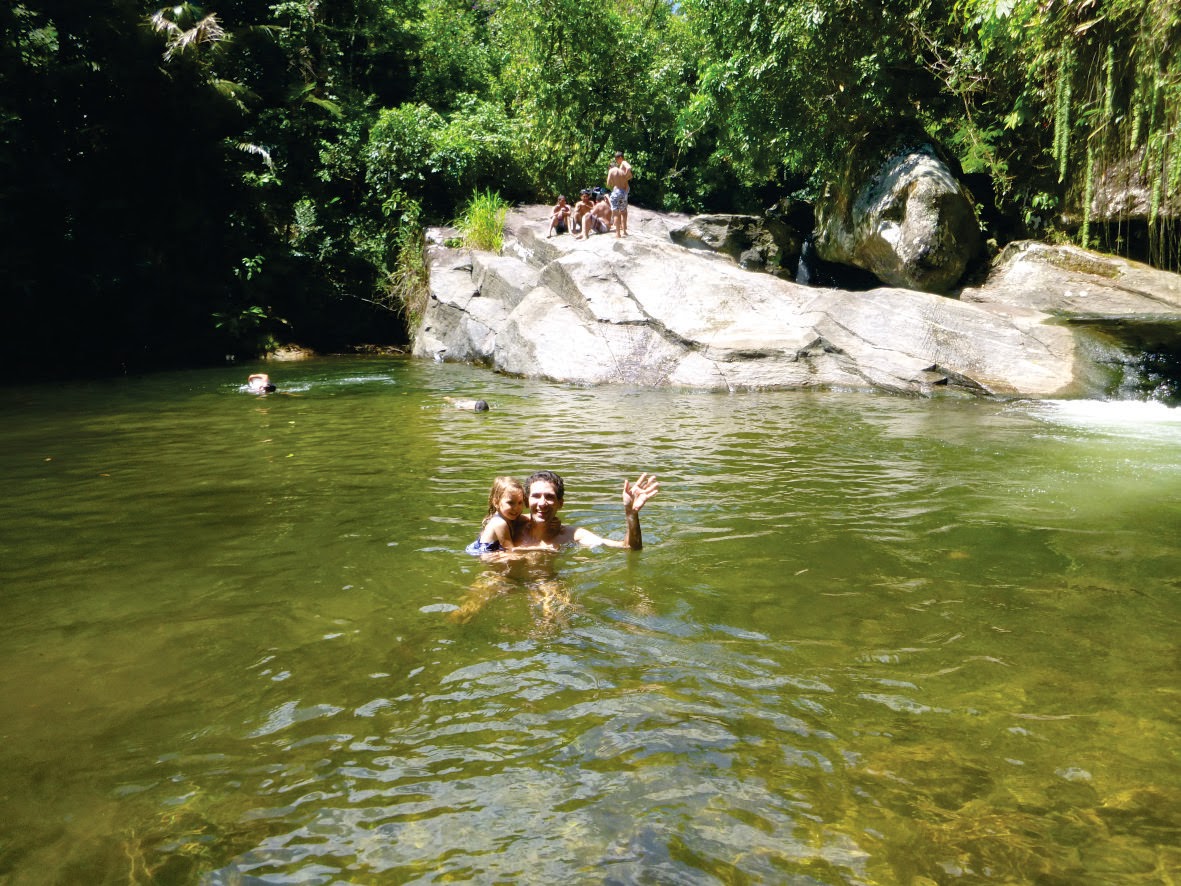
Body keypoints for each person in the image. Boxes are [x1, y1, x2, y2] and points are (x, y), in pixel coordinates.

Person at [514, 470, 659, 551]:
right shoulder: (511, 526)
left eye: (549, 497)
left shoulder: (573, 536)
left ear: (560, 503)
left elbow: (628, 547)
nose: (542, 503)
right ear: (527, 501)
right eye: (536, 496)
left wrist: (631, 513)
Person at [466, 476, 528, 555]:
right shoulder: (500, 523)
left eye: (520, 503)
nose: (516, 508)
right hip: (485, 553)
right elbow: (510, 551)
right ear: (496, 502)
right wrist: (536, 551)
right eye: (510, 503)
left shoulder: (508, 516)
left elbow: (530, 517)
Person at [606, 151, 632, 238]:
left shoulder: (615, 168)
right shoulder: (621, 171)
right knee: (623, 211)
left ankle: (618, 234)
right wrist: (625, 176)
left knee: (616, 213)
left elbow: (608, 183)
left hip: (617, 191)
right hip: (624, 192)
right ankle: (624, 230)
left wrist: (614, 181)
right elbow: (630, 176)